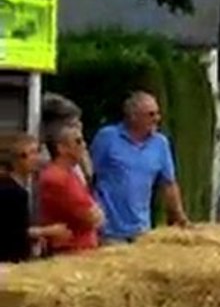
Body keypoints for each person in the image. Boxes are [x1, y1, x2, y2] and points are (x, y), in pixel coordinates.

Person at [90, 91, 189, 244]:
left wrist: (180, 217)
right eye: (151, 114)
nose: (157, 119)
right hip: (109, 231)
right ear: (133, 116)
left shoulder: (160, 144)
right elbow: (89, 174)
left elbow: (168, 184)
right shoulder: (107, 137)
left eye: (157, 113)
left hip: (142, 231)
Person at [0, 133, 71, 263]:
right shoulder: (10, 191)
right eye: (32, 153)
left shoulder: (30, 187)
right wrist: (48, 231)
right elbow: (14, 231)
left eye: (37, 152)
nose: (37, 158)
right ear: (18, 159)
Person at [38, 124, 104, 255]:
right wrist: (95, 213)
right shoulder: (57, 177)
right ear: (61, 148)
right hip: (70, 252)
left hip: (82, 249)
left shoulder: (71, 174)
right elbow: (89, 216)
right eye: (78, 141)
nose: (84, 146)